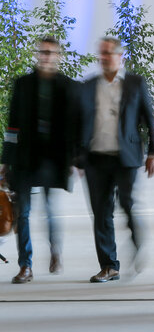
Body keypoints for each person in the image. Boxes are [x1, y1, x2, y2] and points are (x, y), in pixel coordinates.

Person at [80, 37, 154, 283]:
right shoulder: (89, 85)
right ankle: (109, 265)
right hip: (96, 158)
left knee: (126, 203)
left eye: (108, 53)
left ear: (120, 56)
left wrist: (153, 153)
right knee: (101, 211)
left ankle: (137, 238)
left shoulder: (135, 83)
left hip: (126, 157)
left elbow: (148, 117)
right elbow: (79, 121)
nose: (103, 58)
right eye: (101, 53)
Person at [1, 37, 79, 283]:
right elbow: (11, 125)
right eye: (42, 52)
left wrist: (74, 159)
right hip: (25, 158)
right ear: (37, 54)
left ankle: (55, 249)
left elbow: (73, 126)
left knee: (49, 208)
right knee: (22, 212)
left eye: (50, 52)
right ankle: (26, 266)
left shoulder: (67, 86)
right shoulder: (23, 84)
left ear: (58, 56)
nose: (46, 56)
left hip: (52, 159)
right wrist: (5, 161)